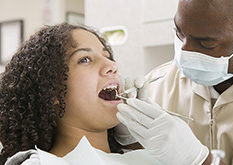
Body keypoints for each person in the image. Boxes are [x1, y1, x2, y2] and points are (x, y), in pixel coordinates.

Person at [116, 0, 233, 164]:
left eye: (206, 44)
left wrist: (199, 160)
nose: (184, 52)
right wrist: (130, 139)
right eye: (179, 33)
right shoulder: (158, 84)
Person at [0, 23, 164, 165]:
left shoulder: (147, 157)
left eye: (107, 56)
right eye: (85, 59)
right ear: (52, 92)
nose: (112, 65)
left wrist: (138, 143)